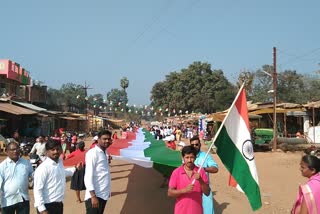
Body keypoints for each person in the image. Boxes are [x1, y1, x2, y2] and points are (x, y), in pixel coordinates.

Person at [33, 139, 81, 214]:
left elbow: (62, 173)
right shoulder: (43, 168)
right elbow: (37, 190)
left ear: (61, 150)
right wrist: (42, 209)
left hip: (58, 204)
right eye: (53, 150)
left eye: (58, 149)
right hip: (47, 206)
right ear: (47, 152)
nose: (56, 151)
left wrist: (75, 168)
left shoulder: (59, 162)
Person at [168, 145, 210, 214]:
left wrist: (200, 180)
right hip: (180, 211)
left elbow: (207, 192)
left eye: (192, 157)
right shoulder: (176, 172)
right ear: (183, 158)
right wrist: (184, 190)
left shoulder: (201, 171)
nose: (189, 160)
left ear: (195, 157)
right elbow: (170, 193)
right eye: (187, 157)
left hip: (197, 211)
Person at [0, 142, 34, 214]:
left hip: (23, 199)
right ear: (7, 151)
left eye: (17, 149)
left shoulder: (26, 163)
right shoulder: (2, 166)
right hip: (7, 201)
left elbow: (33, 175)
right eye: (12, 150)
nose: (15, 151)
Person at [84, 130, 113, 214]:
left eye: (108, 139)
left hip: (103, 194)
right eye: (104, 139)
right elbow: (88, 176)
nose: (107, 141)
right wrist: (93, 196)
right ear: (98, 139)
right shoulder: (92, 153)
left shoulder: (104, 152)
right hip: (95, 195)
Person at [190, 136, 219, 214]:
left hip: (204, 190)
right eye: (192, 145)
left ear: (200, 145)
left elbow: (215, 169)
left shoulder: (206, 156)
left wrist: (203, 169)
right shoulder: (188, 157)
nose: (194, 146)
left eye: (196, 144)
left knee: (207, 211)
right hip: (192, 191)